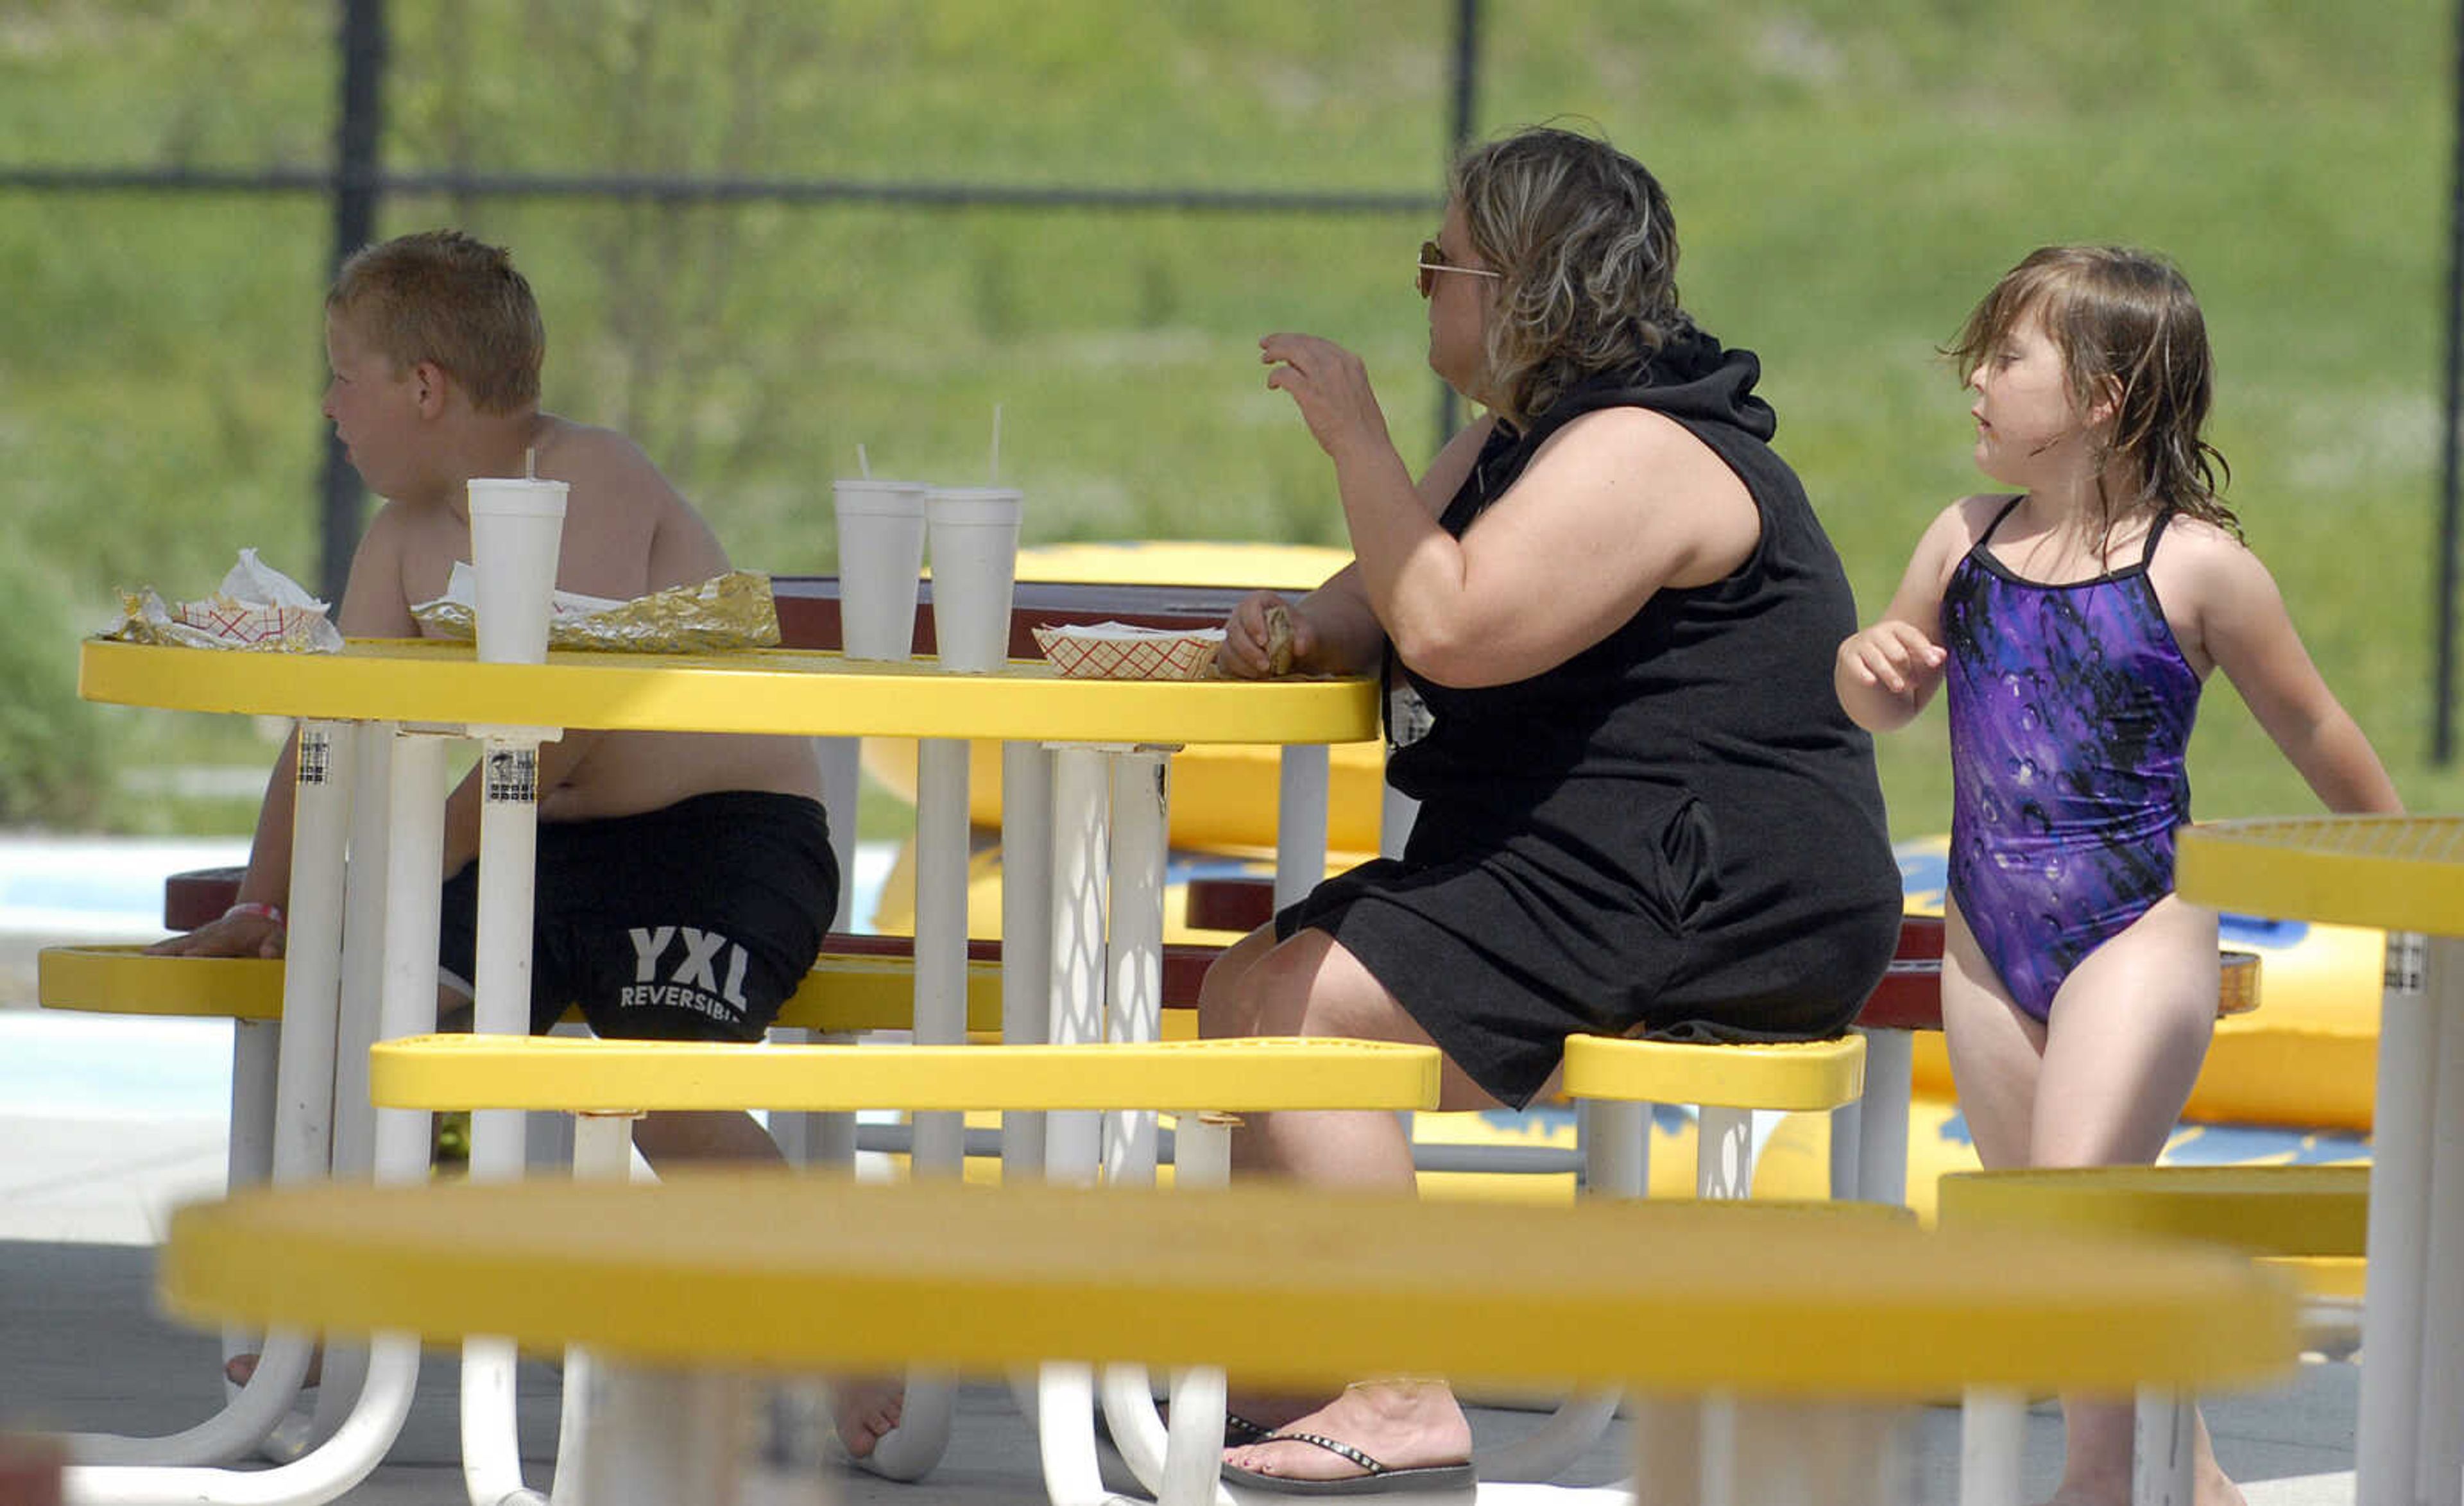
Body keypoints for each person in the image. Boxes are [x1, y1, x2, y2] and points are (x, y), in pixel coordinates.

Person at [1203, 126, 1903, 1493]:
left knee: (1303, 1011)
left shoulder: (1643, 449)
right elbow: (1376, 606)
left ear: (1524, 285)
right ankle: (1297, 1373)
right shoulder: (1520, 441)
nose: (1419, 289)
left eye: (1438, 261)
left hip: (1712, 890)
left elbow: (1453, 625)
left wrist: (1354, 436)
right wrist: (1285, 631)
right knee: (1245, 993)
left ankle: (1402, 1384)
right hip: (1589, 861)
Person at [142, 230, 886, 1447]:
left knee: (658, 1092)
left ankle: (845, 1324)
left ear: (424, 387)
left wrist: (392, 875)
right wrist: (272, 902)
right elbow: (325, 732)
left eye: (343, 375)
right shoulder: (401, 540)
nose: (328, 407)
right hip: (533, 850)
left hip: (722, 840)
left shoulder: (586, 479)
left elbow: (565, 732)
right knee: (385, 1024)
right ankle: (332, 1306)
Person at [1836, 244, 2402, 1506]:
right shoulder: (1962, 538)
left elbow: (2313, 727)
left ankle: (2099, 1481)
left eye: (2007, 356)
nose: (1975, 377)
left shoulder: (2196, 567)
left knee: (2079, 1208)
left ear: (2102, 397)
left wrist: (2418, 868)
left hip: (2134, 928)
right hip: (1988, 939)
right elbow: (1888, 688)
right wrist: (1867, 670)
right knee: (2061, 1228)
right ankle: (2190, 1477)